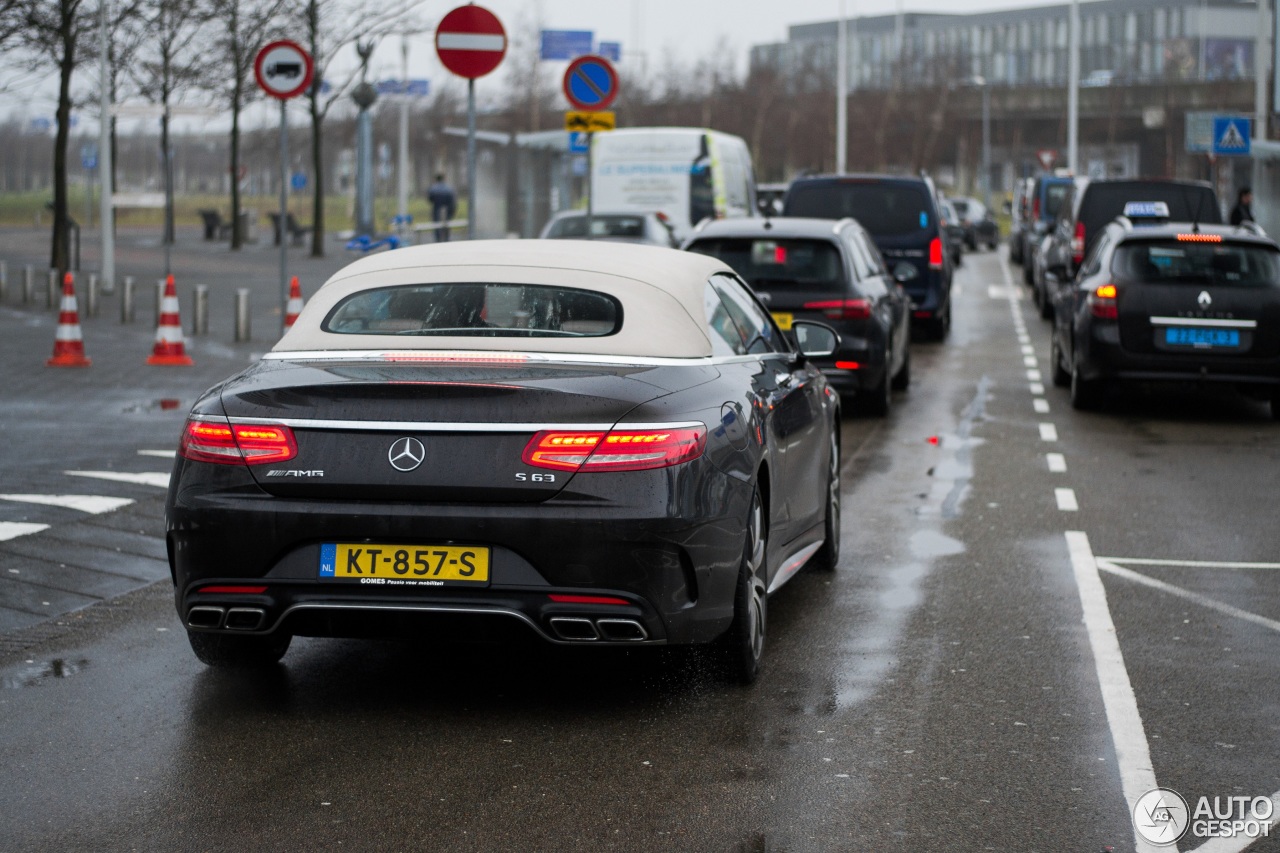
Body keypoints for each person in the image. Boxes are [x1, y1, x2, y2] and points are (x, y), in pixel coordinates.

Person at [427, 174, 457, 242]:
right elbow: (452, 200)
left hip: (437, 209)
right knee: (446, 226)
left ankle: (438, 241)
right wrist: (452, 211)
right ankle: (446, 240)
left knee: (437, 226)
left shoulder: (433, 188)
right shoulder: (449, 188)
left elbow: (430, 198)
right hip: (447, 209)